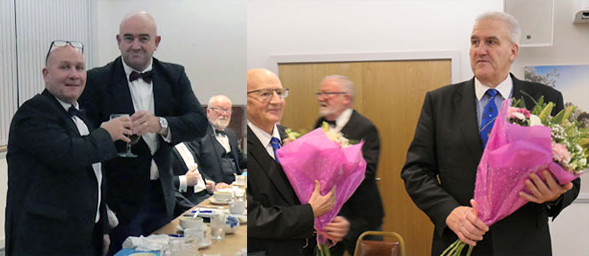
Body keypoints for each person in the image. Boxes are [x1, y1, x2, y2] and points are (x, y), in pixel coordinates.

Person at [401, 11, 580, 256]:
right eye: (475, 42)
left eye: (491, 42)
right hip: (462, 240)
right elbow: (415, 171)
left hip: (525, 245)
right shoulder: (438, 102)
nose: (480, 50)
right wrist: (451, 213)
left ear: (513, 51)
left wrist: (554, 196)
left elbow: (571, 176)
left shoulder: (546, 99)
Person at [79, 11, 208, 254]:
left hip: (163, 195)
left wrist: (161, 124)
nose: (135, 45)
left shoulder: (174, 75)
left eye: (143, 38)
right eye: (129, 38)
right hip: (118, 200)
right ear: (118, 41)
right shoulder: (96, 80)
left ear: (156, 42)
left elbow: (199, 123)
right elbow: (87, 141)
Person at [5, 41, 132, 255]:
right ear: (46, 74)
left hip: (83, 235)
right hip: (44, 241)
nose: (74, 75)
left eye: (80, 68)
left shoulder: (79, 115)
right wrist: (107, 133)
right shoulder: (33, 113)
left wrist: (101, 228)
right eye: (65, 67)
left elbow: (95, 175)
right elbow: (70, 154)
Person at [247, 68, 350, 255]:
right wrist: (309, 214)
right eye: (265, 94)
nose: (277, 100)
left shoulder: (293, 138)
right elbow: (251, 217)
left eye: (280, 92)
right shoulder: (241, 147)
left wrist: (327, 221)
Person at [313, 75, 384, 255]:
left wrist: (332, 168)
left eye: (327, 93)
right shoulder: (319, 125)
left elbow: (367, 171)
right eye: (320, 93)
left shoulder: (366, 127)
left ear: (346, 98)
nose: (321, 98)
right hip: (328, 218)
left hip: (361, 216)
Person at [188, 94, 247, 185]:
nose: (224, 114)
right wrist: (211, 184)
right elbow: (193, 166)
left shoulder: (230, 134)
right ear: (208, 112)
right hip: (212, 189)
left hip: (236, 186)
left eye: (227, 110)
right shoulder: (197, 134)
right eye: (220, 110)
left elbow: (241, 160)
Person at [171, 142, 215, 216]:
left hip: (206, 196)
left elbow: (196, 169)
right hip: (187, 202)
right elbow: (160, 181)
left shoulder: (186, 143)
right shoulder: (162, 146)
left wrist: (205, 182)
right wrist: (184, 180)